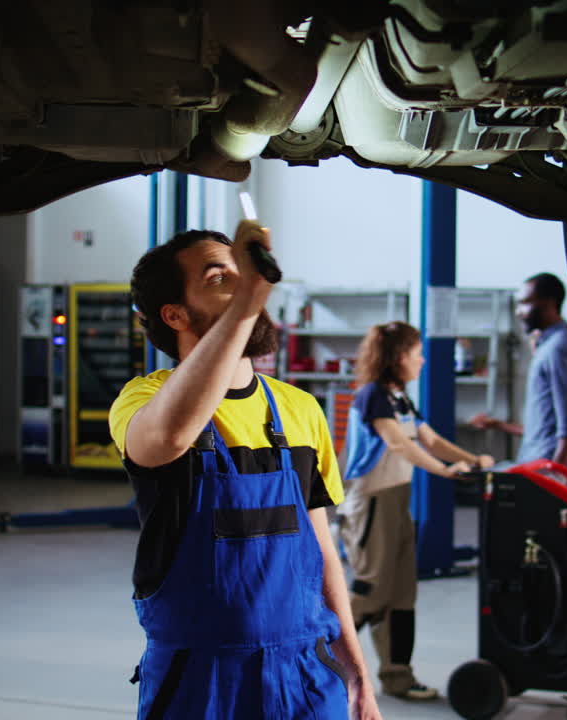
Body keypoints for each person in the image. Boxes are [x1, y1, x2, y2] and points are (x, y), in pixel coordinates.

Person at [108, 225, 381, 720]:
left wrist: (357, 671)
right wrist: (248, 302)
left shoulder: (301, 410)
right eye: (219, 278)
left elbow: (322, 553)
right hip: (201, 682)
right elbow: (166, 439)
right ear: (175, 314)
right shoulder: (144, 399)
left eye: (242, 274)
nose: (240, 284)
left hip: (305, 675)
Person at [339, 321, 495, 700]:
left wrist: (473, 460)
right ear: (397, 357)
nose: (423, 360)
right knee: (372, 590)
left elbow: (431, 440)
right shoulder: (372, 395)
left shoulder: (399, 397)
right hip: (372, 500)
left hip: (398, 499)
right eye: (416, 353)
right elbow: (398, 444)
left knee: (402, 594)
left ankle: (397, 677)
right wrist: (444, 471)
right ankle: (317, 665)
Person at [470, 272, 567, 474]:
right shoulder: (548, 347)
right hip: (538, 464)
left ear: (549, 304)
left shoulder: (557, 350)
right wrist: (499, 425)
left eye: (524, 303)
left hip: (549, 472)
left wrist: (553, 479)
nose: (518, 312)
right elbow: (545, 430)